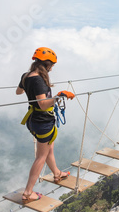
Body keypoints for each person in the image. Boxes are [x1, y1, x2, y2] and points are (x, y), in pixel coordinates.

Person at [16, 47, 75, 203]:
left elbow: (18, 92)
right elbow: (43, 104)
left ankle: (57, 173)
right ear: (46, 64)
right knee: (40, 157)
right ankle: (28, 192)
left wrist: (30, 89)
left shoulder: (26, 76)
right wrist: (58, 96)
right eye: (52, 65)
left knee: (49, 148)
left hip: (33, 119)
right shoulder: (38, 80)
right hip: (42, 121)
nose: (52, 68)